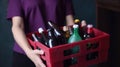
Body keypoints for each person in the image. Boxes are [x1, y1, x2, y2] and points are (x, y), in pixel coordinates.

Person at [7, 0, 75, 67]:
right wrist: (29, 52)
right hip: (27, 53)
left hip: (57, 54)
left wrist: (79, 34)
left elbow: (70, 24)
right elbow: (17, 26)